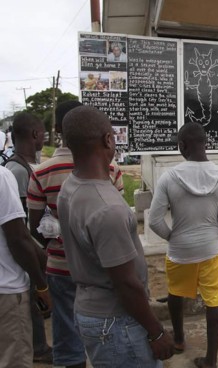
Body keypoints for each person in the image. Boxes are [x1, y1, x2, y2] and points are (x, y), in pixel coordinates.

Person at [57, 105, 174, 367]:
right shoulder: (107, 207)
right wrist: (156, 331)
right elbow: (125, 283)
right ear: (108, 140)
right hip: (117, 323)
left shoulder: (70, 186)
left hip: (91, 309)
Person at [27, 100, 124, 368]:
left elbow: (35, 228)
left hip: (58, 267)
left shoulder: (41, 173)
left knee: (67, 338)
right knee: (108, 332)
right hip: (101, 268)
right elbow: (115, 222)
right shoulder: (111, 170)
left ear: (58, 129)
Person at [149, 122, 218, 368]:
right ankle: (210, 360)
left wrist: (173, 237)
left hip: (180, 252)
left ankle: (179, 340)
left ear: (182, 146)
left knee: (175, 292)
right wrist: (215, 235)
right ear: (205, 144)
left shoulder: (169, 177)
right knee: (214, 301)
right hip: (212, 251)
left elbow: (154, 220)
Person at [4, 112, 53, 363]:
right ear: (35, 135)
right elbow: (21, 225)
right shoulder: (15, 171)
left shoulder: (20, 167)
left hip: (26, 252)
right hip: (21, 258)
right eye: (43, 133)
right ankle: (39, 348)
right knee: (33, 298)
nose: (45, 138)